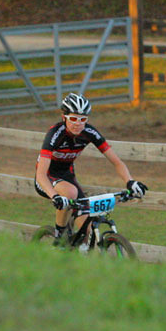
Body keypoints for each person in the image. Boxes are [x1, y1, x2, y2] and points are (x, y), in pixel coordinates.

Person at [34, 92, 147, 243]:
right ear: (64, 117)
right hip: (47, 177)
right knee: (70, 192)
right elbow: (41, 174)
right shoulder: (55, 134)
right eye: (73, 118)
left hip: (67, 175)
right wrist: (55, 196)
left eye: (83, 119)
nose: (78, 123)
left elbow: (116, 162)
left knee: (86, 230)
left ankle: (79, 259)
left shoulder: (89, 132)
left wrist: (130, 181)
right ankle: (59, 237)